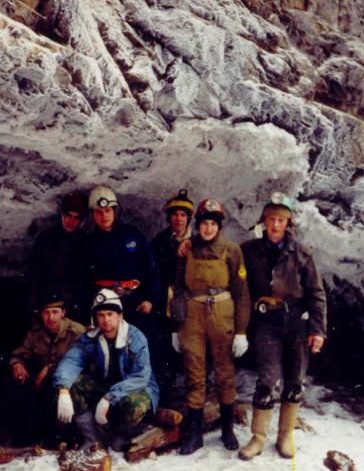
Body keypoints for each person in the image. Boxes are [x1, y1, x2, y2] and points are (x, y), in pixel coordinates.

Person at [238, 192, 327, 460]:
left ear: (288, 223)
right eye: (271, 219)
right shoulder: (249, 251)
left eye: (280, 220)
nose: (275, 225)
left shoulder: (302, 254)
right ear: (264, 221)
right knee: (268, 379)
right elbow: (227, 267)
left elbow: (316, 293)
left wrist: (318, 329)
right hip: (267, 322)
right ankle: (258, 437)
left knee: (296, 379)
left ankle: (285, 435)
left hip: (297, 322)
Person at [172, 199, 251, 454]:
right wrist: (175, 326)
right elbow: (178, 288)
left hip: (222, 313)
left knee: (224, 373)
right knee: (194, 374)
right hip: (192, 316)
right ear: (198, 226)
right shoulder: (187, 249)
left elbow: (242, 293)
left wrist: (241, 331)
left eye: (212, 224)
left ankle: (227, 430)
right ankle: (195, 435)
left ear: (219, 226)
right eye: (204, 223)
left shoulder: (231, 249)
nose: (207, 229)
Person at [53, 288, 160, 452]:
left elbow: (140, 377)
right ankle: (92, 439)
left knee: (134, 405)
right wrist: (63, 390)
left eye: (110, 314)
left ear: (119, 315)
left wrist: (110, 397)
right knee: (73, 383)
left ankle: (121, 434)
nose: (106, 320)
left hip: (136, 389)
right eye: (101, 315)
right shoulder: (90, 338)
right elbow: (71, 361)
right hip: (106, 388)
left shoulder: (135, 337)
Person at [83, 184, 164, 373]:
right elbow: (83, 280)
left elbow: (151, 269)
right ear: (92, 214)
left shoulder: (133, 235)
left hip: (135, 301)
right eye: (99, 211)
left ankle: (155, 390)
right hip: (105, 304)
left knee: (147, 343)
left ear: (115, 210)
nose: (104, 215)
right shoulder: (87, 243)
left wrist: (150, 299)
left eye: (108, 210)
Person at [5, 293, 86, 446]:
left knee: (53, 387)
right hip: (41, 379)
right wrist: (17, 365)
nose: (51, 317)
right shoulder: (36, 333)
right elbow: (21, 353)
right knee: (16, 384)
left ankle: (60, 436)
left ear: (63, 313)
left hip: (68, 381)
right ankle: (26, 436)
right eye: (46, 313)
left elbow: (81, 363)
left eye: (55, 312)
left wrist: (50, 368)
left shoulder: (76, 332)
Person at [150, 189, 195, 404]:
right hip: (162, 301)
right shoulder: (160, 241)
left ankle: (187, 397)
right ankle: (165, 396)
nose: (178, 219)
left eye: (183, 215)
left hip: (187, 302)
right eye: (175, 214)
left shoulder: (196, 243)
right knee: (163, 347)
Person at [28, 192, 87, 318]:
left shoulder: (85, 242)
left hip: (72, 303)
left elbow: (84, 278)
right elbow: (34, 272)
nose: (71, 221)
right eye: (68, 216)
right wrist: (33, 303)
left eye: (76, 218)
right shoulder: (46, 238)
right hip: (47, 300)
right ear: (62, 215)